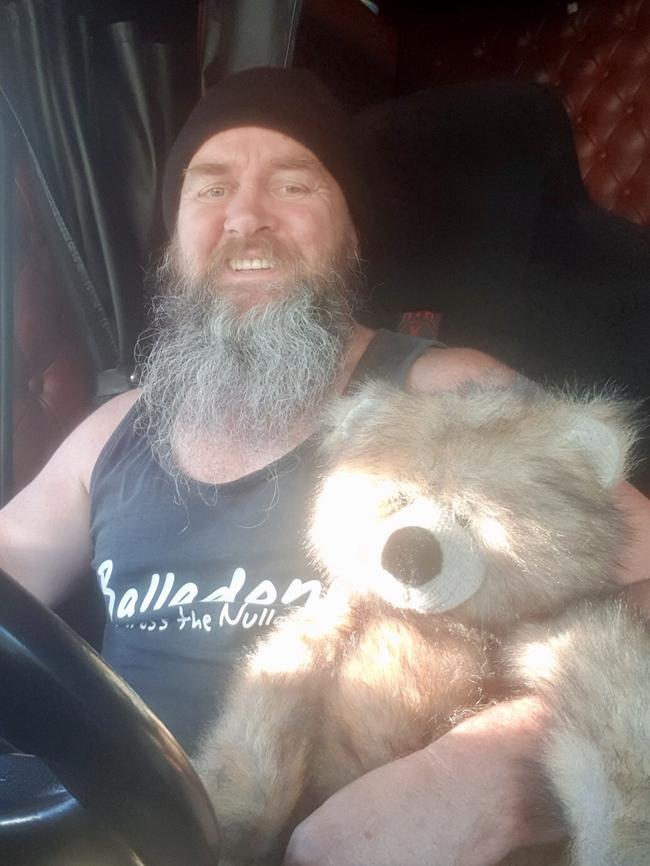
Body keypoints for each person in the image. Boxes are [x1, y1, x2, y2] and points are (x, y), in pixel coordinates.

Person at [0, 67, 649, 866]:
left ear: (349, 235)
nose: (247, 215)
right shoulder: (112, 431)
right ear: (174, 245)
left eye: (294, 183)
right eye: (209, 190)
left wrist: (499, 765)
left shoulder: (453, 392)